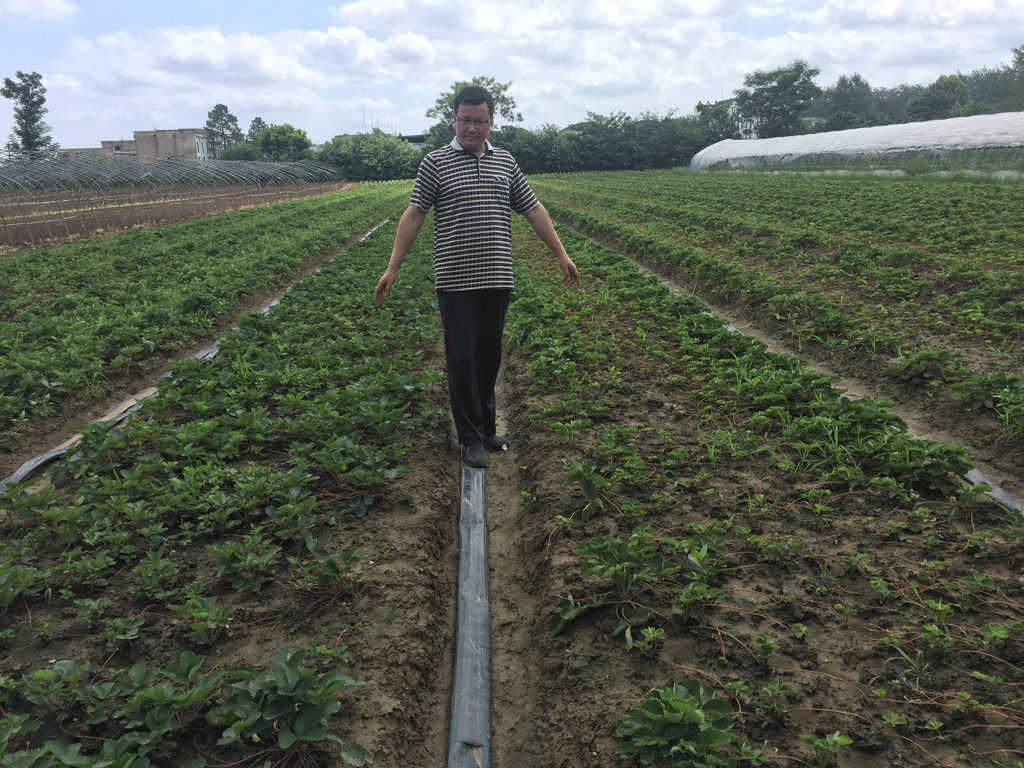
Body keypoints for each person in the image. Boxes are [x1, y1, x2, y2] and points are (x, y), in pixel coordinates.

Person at [374, 85, 581, 468]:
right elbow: (414, 213)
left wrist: (561, 253)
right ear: (454, 120)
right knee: (462, 359)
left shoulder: (505, 162)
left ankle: (486, 430)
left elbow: (533, 209)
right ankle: (469, 438)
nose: (472, 128)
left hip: (497, 277)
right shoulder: (435, 163)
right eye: (465, 120)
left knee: (489, 357)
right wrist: (393, 266)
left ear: (491, 122)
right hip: (455, 281)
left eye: (480, 121)